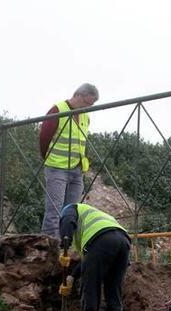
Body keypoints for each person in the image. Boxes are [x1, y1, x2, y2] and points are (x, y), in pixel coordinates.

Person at [58, 203, 130, 311]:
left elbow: (68, 220)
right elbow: (87, 260)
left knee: (90, 287)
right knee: (113, 290)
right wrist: (72, 276)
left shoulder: (70, 208)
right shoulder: (96, 216)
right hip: (123, 242)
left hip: (101, 240)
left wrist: (64, 244)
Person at [40, 83, 100, 238]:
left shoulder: (86, 117)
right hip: (56, 167)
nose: (88, 107)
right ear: (77, 95)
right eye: (87, 103)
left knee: (71, 210)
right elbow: (44, 137)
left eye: (91, 105)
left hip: (76, 169)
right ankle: (50, 246)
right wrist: (48, 158)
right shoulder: (58, 110)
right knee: (54, 209)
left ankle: (65, 244)